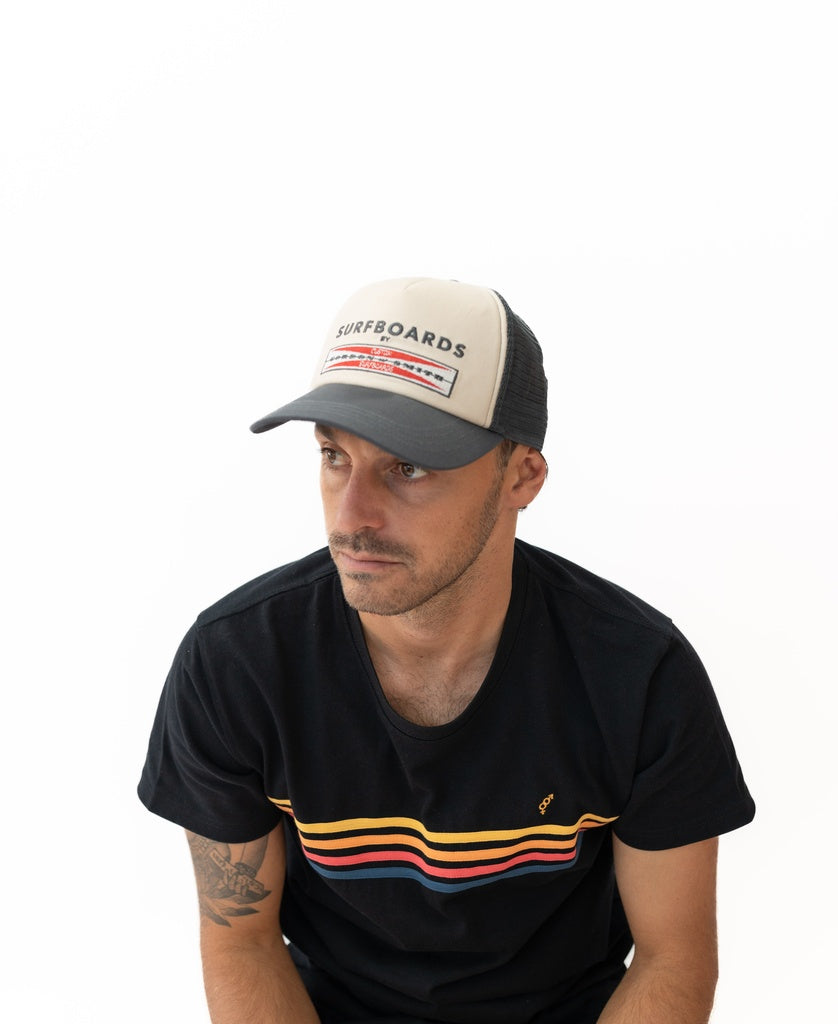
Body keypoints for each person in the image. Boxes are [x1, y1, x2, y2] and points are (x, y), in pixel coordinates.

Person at [138, 276, 755, 1024]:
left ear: (522, 475)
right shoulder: (238, 664)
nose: (353, 516)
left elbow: (674, 957)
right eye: (334, 456)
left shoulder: (636, 674)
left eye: (409, 468)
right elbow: (241, 943)